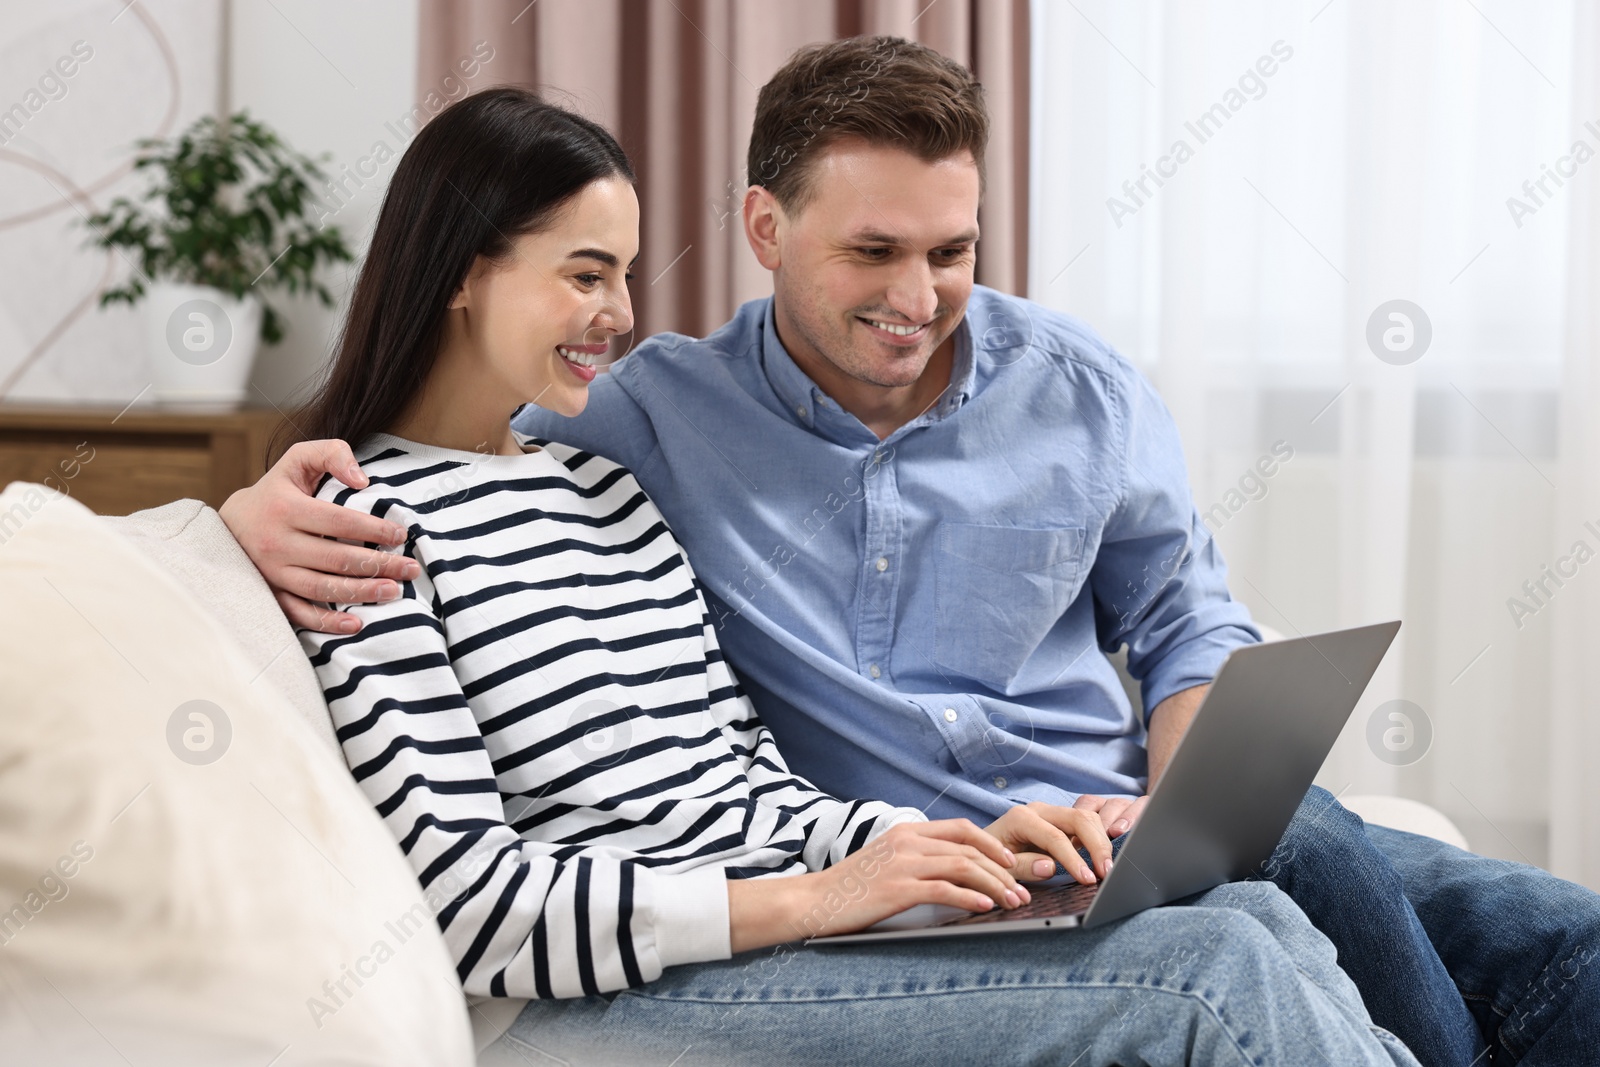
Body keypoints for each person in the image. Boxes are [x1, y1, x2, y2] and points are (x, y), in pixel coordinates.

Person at [223, 38, 1600, 1066]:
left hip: (968, 853)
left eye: (950, 249)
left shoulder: (599, 484)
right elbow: (473, 894)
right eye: (584, 274)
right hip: (707, 950)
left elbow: (739, 772)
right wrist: (228, 523)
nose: (919, 294)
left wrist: (942, 849)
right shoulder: (462, 494)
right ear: (766, 230)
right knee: (1222, 964)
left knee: (1408, 911)